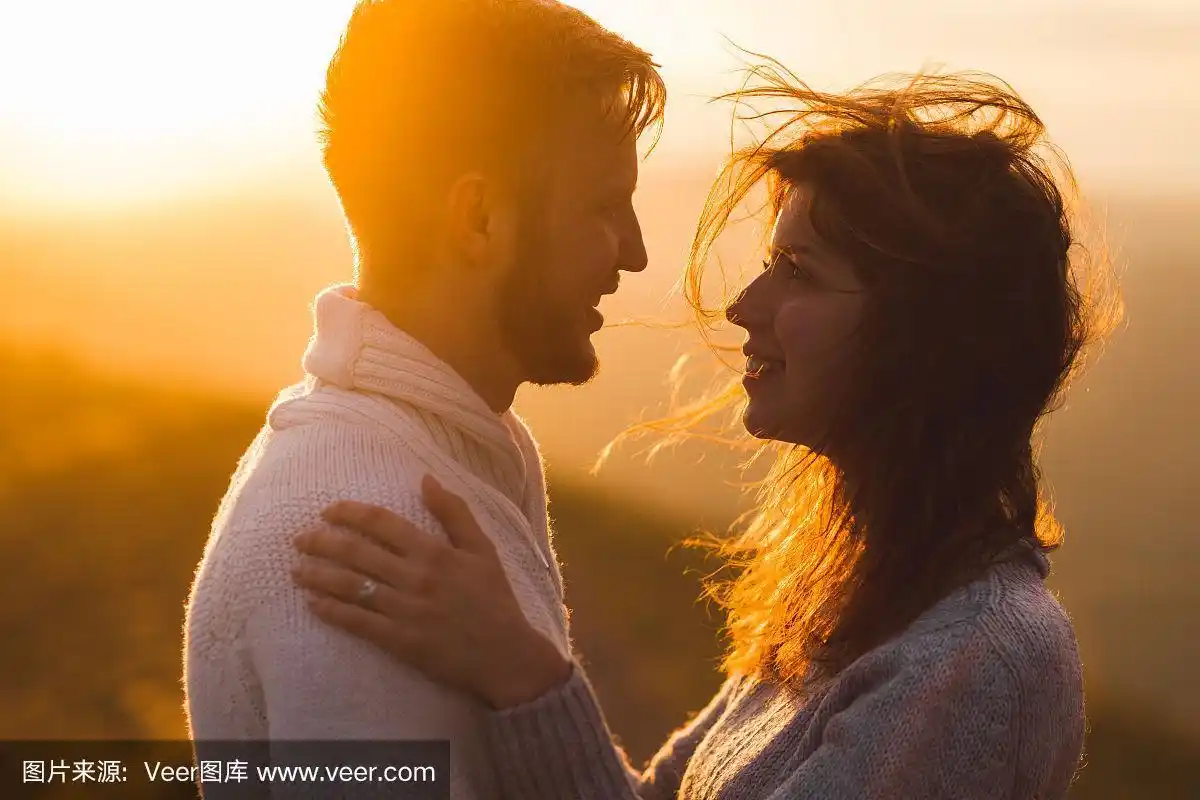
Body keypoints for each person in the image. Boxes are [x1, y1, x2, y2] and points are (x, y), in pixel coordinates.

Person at [289, 62, 1121, 799]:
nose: (743, 306)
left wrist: (525, 673)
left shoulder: (978, 667)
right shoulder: (848, 597)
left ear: (927, 335)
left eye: (798, 272)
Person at [183, 0, 664, 796]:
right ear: (479, 219)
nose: (638, 252)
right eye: (605, 208)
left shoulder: (457, 450)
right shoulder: (366, 535)